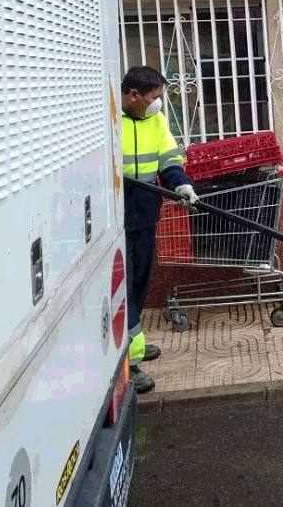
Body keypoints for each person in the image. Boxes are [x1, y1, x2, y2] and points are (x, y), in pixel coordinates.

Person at [121, 66, 198, 393]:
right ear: (133, 95)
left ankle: (132, 345)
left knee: (138, 282)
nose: (158, 105)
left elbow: (168, 159)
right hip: (116, 217)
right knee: (120, 292)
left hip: (144, 214)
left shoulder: (156, 121)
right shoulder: (109, 119)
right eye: (154, 98)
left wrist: (181, 185)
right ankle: (129, 364)